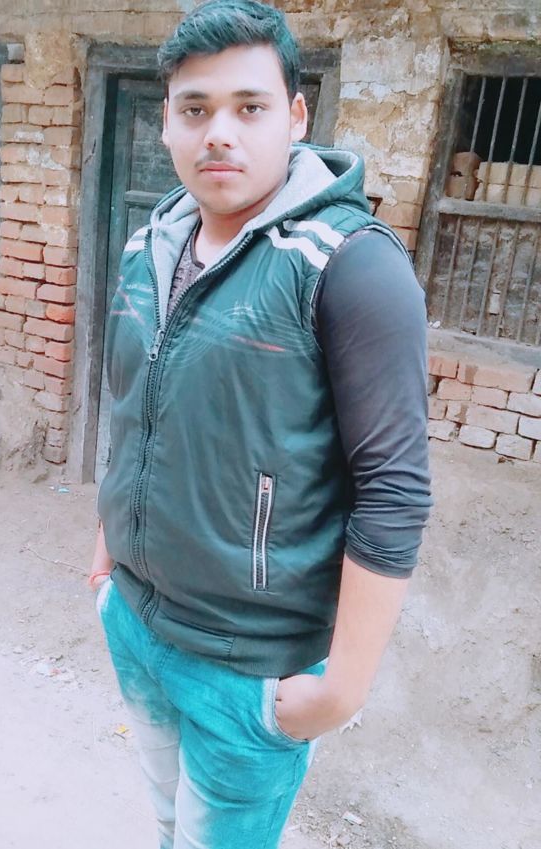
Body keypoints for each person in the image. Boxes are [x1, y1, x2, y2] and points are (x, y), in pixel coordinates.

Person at [89, 2, 431, 847]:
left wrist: (340, 690)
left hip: (247, 670)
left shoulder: (350, 265)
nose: (219, 133)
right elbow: (132, 400)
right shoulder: (150, 244)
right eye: (195, 108)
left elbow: (393, 487)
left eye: (250, 107)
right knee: (169, 822)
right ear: (165, 123)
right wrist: (107, 556)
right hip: (134, 622)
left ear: (297, 116)